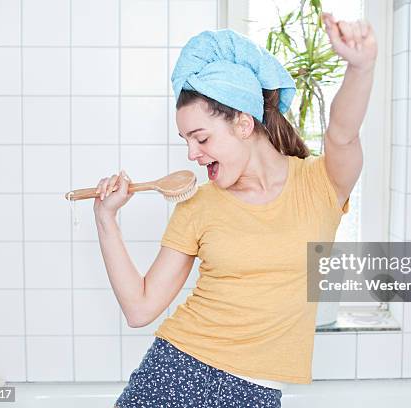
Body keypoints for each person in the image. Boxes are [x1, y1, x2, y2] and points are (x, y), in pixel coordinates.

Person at [94, 12, 377, 408]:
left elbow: (343, 133)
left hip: (256, 394)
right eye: (186, 141)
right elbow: (140, 309)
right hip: (173, 375)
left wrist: (360, 66)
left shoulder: (319, 184)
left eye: (201, 137)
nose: (192, 154)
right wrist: (106, 220)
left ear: (244, 124)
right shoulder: (197, 205)